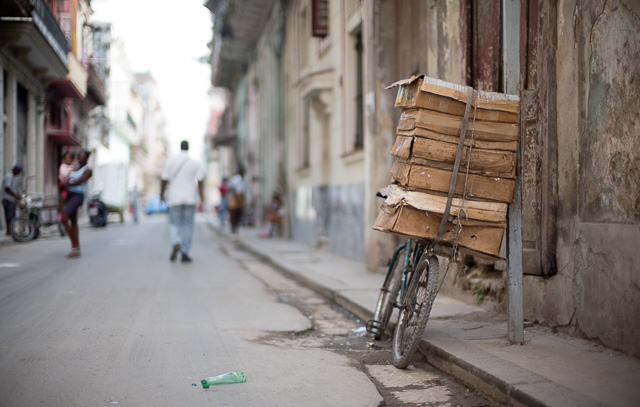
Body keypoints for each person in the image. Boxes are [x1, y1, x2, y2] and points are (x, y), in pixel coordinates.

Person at [160, 140, 205, 263]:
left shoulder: (170, 161)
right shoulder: (195, 163)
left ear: (180, 148)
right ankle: (185, 252)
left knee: (174, 222)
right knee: (188, 225)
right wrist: (202, 199)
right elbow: (200, 182)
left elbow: (164, 179)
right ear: (188, 148)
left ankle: (176, 241)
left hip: (174, 197)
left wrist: (161, 195)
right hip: (190, 197)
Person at [62, 150, 92, 258]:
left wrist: (69, 183)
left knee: (64, 218)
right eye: (78, 156)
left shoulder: (87, 170)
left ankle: (74, 247)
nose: (79, 158)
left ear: (86, 158)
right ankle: (76, 248)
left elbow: (80, 181)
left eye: (82, 156)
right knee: (73, 221)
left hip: (77, 196)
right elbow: (67, 177)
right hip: (69, 196)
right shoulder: (75, 167)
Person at [2, 165, 23, 235]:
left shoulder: (13, 177)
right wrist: (15, 195)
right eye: (18, 172)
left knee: (12, 216)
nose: (18, 174)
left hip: (11, 199)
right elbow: (7, 188)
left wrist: (17, 194)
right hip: (7, 199)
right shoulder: (9, 176)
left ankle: (10, 230)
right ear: (15, 170)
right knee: (9, 216)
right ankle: (8, 231)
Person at [227, 166, 246, 236]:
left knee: (239, 214)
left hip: (240, 197)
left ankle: (236, 229)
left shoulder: (242, 179)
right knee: (234, 214)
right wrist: (236, 197)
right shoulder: (236, 178)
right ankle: (233, 229)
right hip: (236, 197)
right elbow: (232, 187)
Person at [58, 151, 76, 221]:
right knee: (63, 197)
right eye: (67, 158)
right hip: (64, 184)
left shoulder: (72, 167)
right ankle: (60, 212)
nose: (68, 160)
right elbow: (64, 174)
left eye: (70, 158)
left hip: (71, 185)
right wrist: (70, 172)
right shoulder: (63, 166)